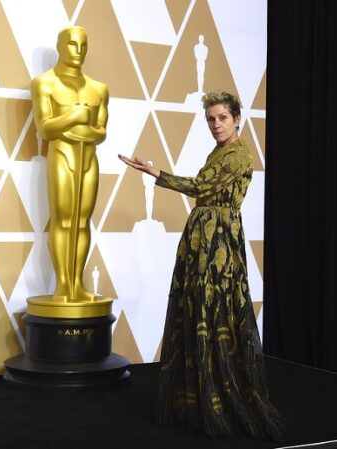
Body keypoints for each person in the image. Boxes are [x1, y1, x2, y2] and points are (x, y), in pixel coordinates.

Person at [119, 91, 283, 440]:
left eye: (222, 118)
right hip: (202, 239)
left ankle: (224, 402)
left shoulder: (238, 156)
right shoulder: (219, 151)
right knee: (197, 312)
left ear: (237, 119)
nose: (216, 125)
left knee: (216, 313)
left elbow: (201, 186)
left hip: (219, 243)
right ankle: (198, 402)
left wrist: (155, 172)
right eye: (210, 119)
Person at [31, 26, 108, 302]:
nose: (79, 51)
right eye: (73, 45)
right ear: (61, 46)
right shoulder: (45, 83)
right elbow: (46, 130)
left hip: (88, 158)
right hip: (62, 155)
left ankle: (78, 283)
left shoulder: (99, 89)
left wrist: (71, 127)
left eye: (83, 45)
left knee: (83, 222)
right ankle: (64, 285)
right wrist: (76, 115)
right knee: (63, 220)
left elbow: (100, 132)